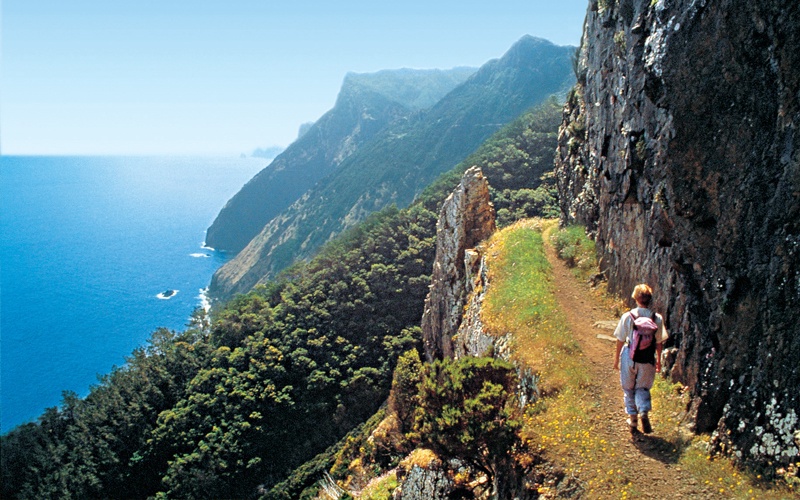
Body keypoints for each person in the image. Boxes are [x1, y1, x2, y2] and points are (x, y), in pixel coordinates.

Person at [612, 284, 668, 435]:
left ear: (636, 298)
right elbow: (659, 343)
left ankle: (633, 420)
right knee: (642, 388)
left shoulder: (627, 316)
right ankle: (643, 410)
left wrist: (616, 359)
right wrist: (658, 361)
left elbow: (620, 339)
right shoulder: (657, 318)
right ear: (649, 299)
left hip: (629, 356)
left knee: (628, 388)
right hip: (647, 359)